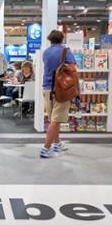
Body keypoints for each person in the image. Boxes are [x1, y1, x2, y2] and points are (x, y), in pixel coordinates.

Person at [41, 30, 77, 159]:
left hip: (46, 88)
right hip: (60, 89)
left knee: (53, 118)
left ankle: (57, 144)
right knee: (56, 120)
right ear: (62, 39)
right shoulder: (65, 51)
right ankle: (46, 148)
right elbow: (73, 68)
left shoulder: (45, 52)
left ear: (50, 39)